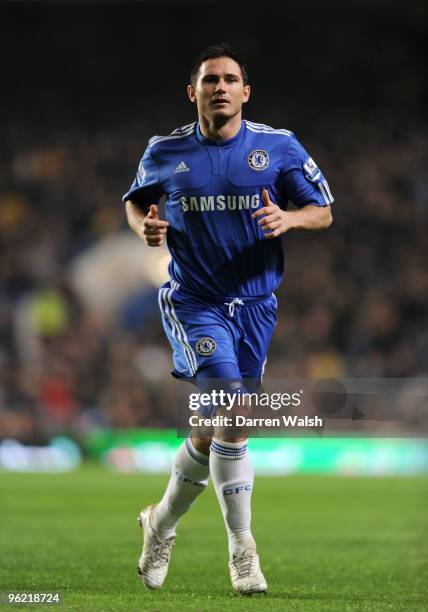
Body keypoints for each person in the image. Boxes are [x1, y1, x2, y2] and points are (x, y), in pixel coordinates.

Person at [123, 42, 333, 595]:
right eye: (210, 79)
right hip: (195, 301)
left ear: (245, 91)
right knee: (233, 406)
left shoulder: (279, 148)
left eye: (230, 79)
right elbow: (136, 202)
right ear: (192, 92)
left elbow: (324, 210)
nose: (220, 86)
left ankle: (160, 523)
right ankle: (243, 551)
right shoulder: (165, 152)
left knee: (220, 423)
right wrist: (142, 228)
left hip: (257, 305)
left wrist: (290, 218)